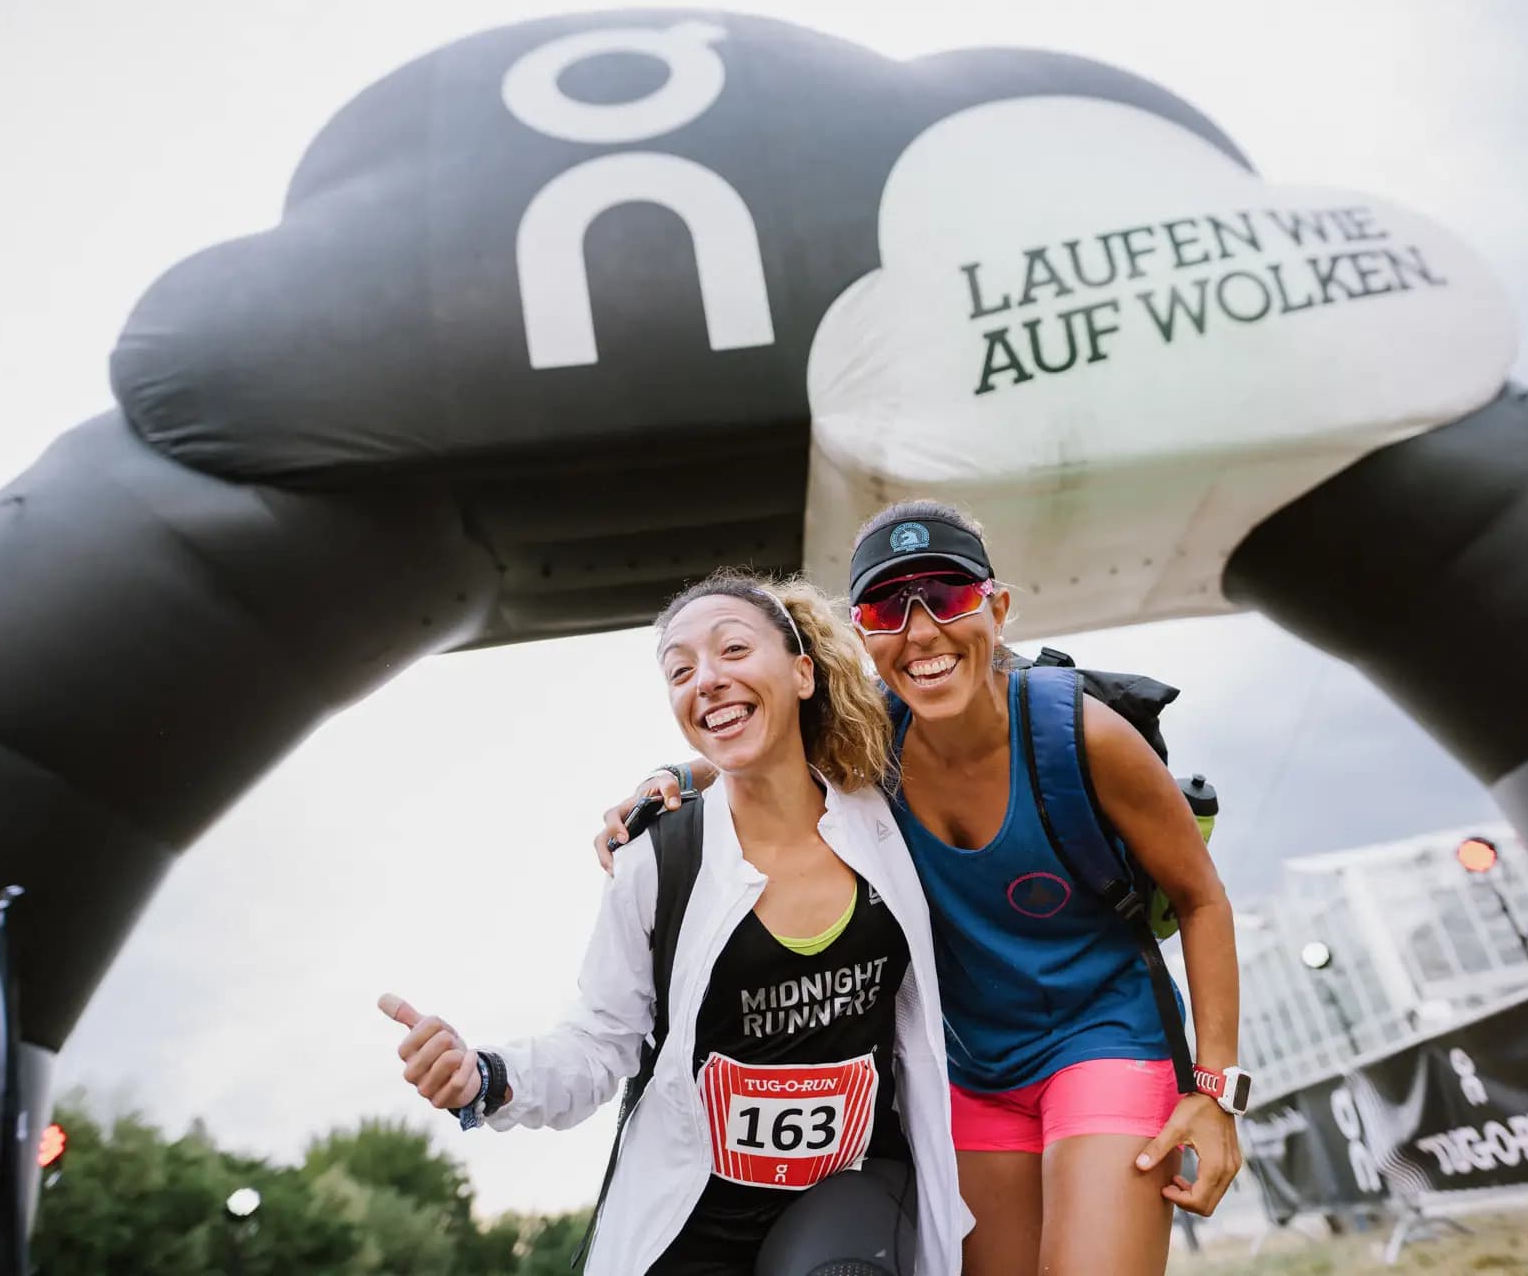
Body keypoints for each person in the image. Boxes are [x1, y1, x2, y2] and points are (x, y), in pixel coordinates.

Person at [599, 503, 1244, 1276]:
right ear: (864, 637)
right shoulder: (874, 742)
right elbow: (766, 737)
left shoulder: (1087, 736)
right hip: (974, 1073)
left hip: (1107, 1038)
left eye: (946, 597)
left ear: (997, 607)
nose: (922, 632)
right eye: (885, 609)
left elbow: (1202, 899)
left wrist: (1216, 1095)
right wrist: (672, 777)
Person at [380, 570, 970, 1275]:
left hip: (854, 1192)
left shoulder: (885, 811)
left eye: (734, 651)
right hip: (694, 1213)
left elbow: (970, 690)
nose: (708, 680)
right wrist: (486, 1076)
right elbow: (601, 1040)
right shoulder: (658, 863)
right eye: (680, 670)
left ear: (803, 673)